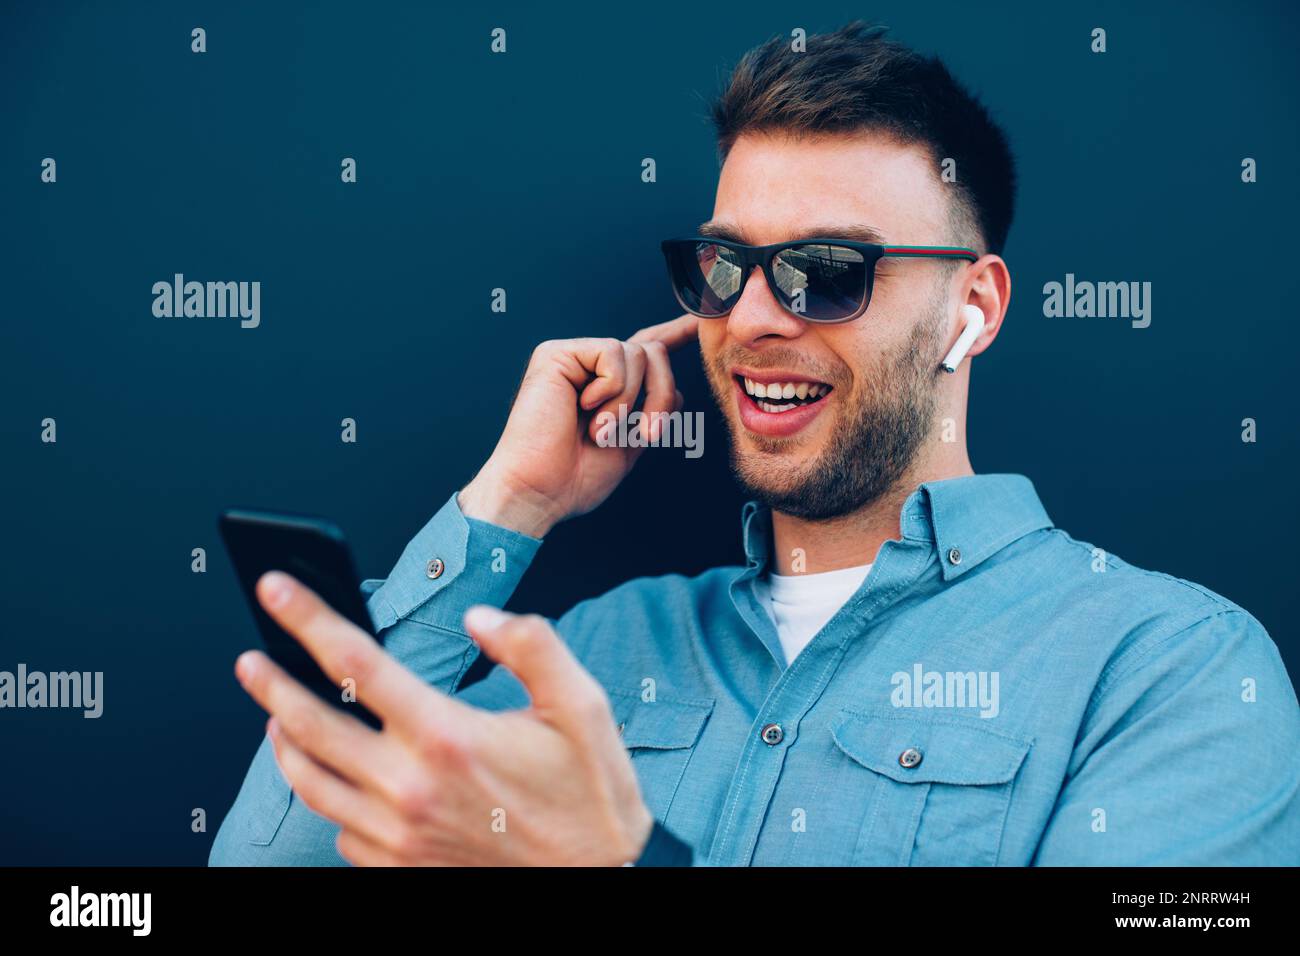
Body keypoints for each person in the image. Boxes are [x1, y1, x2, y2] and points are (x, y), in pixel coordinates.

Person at [210, 22, 1299, 867]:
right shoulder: (598, 652)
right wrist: (512, 501)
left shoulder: (1168, 669)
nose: (756, 317)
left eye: (828, 269)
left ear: (973, 308)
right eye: (725, 266)